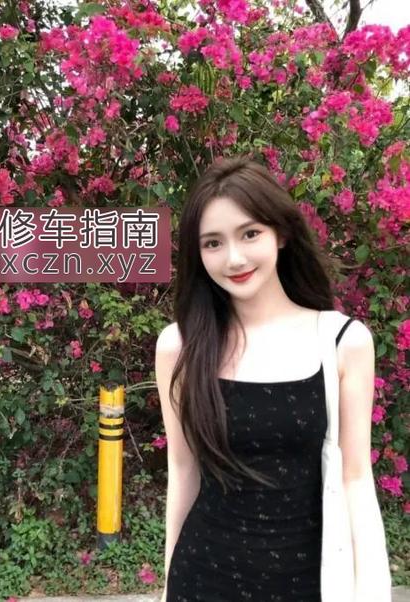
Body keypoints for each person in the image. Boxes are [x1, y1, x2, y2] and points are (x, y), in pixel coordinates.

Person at [155, 156, 390, 601]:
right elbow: (183, 471)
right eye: (213, 243)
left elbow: (357, 478)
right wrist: (169, 586)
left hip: (307, 583)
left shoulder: (342, 342)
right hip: (202, 579)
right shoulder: (180, 347)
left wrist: (372, 592)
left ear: (280, 233)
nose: (234, 258)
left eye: (250, 234)